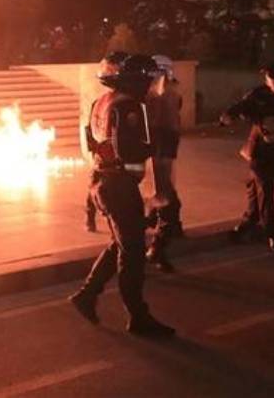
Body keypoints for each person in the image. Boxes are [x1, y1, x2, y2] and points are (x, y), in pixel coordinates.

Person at [68, 55, 175, 338]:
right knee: (133, 253)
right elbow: (128, 150)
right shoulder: (129, 106)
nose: (152, 85)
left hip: (104, 182)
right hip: (119, 186)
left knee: (121, 244)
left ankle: (87, 295)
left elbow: (91, 141)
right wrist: (152, 149)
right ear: (138, 81)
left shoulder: (102, 102)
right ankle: (138, 316)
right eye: (149, 80)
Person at [221, 63, 274, 252]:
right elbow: (237, 109)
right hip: (261, 153)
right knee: (265, 193)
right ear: (267, 79)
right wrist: (228, 117)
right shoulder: (258, 95)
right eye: (273, 79)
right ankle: (271, 233)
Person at [144, 55, 183, 272]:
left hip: (162, 158)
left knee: (162, 207)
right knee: (167, 207)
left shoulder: (167, 95)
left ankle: (156, 248)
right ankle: (155, 249)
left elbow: (171, 129)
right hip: (153, 160)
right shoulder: (151, 99)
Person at [84, 51, 128, 233]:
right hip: (113, 161)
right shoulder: (122, 103)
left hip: (100, 158)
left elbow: (89, 131)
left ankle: (90, 218)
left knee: (94, 186)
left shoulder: (100, 101)